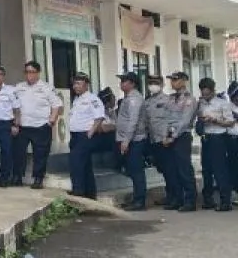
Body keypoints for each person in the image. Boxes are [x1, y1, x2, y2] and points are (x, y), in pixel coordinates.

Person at [13, 61, 63, 189]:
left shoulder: (47, 88)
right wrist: (15, 122)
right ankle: (18, 177)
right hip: (23, 126)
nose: (29, 75)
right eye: (26, 72)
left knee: (40, 154)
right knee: (19, 153)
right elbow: (13, 104)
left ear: (38, 73)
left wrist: (51, 121)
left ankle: (38, 179)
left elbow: (56, 105)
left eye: (32, 72)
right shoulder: (19, 87)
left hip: (41, 126)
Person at [141, 75, 179, 210]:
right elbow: (146, 122)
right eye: (150, 83)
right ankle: (169, 195)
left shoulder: (168, 100)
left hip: (165, 140)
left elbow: (173, 121)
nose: (153, 85)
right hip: (153, 140)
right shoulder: (147, 102)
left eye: (156, 83)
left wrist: (170, 137)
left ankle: (175, 198)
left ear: (162, 85)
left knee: (170, 170)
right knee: (163, 170)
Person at [196, 77, 233, 211]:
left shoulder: (222, 103)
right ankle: (208, 199)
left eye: (207, 94)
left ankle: (225, 201)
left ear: (213, 91)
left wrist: (215, 120)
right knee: (206, 169)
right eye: (203, 93)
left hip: (218, 138)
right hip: (206, 137)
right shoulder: (201, 104)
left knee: (219, 170)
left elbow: (230, 122)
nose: (205, 96)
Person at [67, 72, 106, 199]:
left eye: (79, 83)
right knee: (85, 165)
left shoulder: (92, 99)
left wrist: (91, 131)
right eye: (74, 84)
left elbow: (99, 116)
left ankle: (78, 190)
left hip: (84, 135)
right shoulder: (77, 99)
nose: (76, 86)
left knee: (76, 163)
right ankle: (89, 193)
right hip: (75, 136)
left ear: (86, 85)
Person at [114, 72, 148, 211]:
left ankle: (139, 201)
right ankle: (136, 199)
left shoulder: (134, 99)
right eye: (121, 81)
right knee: (132, 171)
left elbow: (132, 121)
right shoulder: (128, 98)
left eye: (124, 81)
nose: (121, 84)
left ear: (132, 84)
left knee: (136, 171)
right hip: (128, 139)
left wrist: (126, 141)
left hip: (134, 140)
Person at [166, 71, 199, 211]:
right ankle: (177, 199)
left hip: (182, 136)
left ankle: (190, 200)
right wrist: (166, 135)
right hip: (169, 136)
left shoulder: (189, 99)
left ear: (184, 81)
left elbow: (184, 121)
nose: (173, 82)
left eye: (175, 80)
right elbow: (166, 117)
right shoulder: (170, 98)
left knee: (184, 169)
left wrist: (172, 136)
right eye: (172, 80)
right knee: (173, 169)